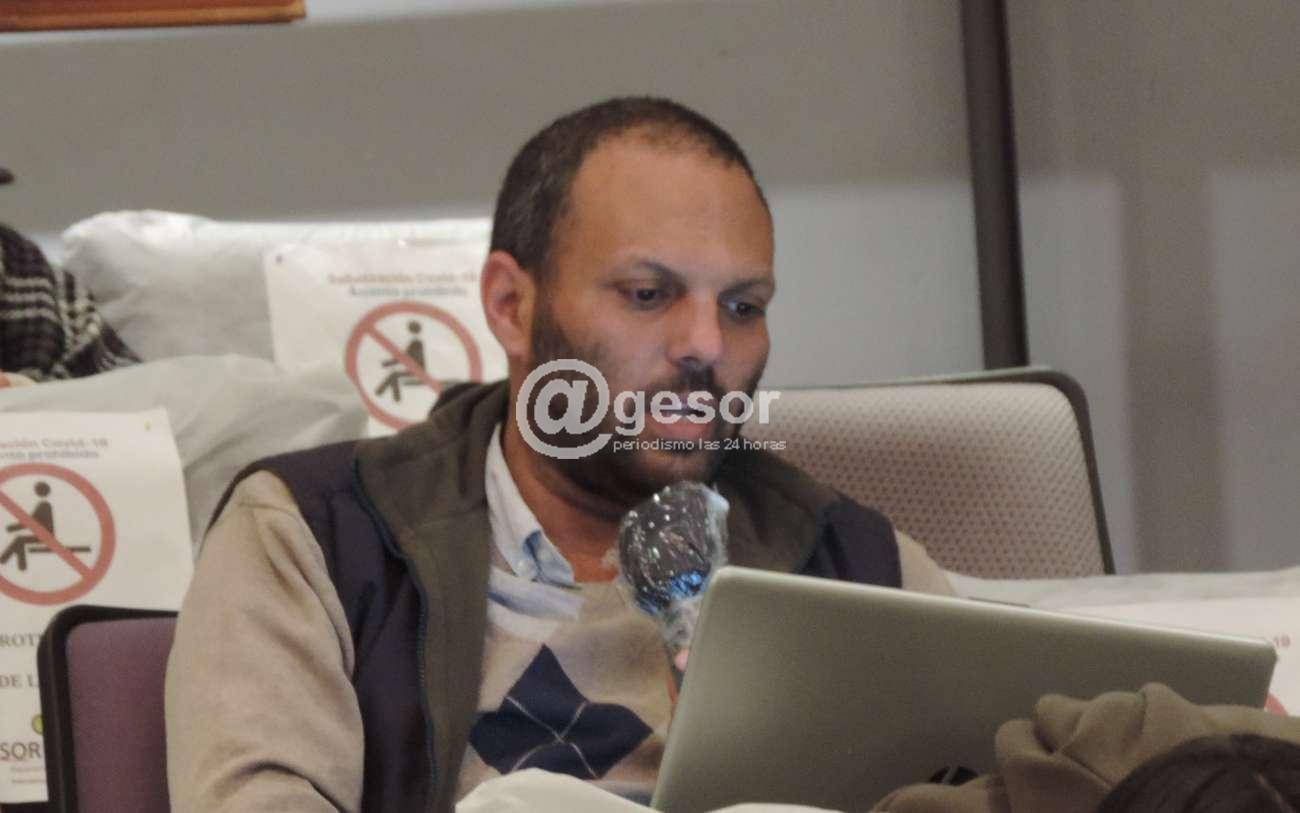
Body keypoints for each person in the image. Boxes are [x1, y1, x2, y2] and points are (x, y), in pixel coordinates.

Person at [164, 96, 955, 813]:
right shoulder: (314, 536)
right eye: (648, 294)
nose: (706, 344)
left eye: (743, 306)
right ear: (511, 305)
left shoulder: (857, 564)